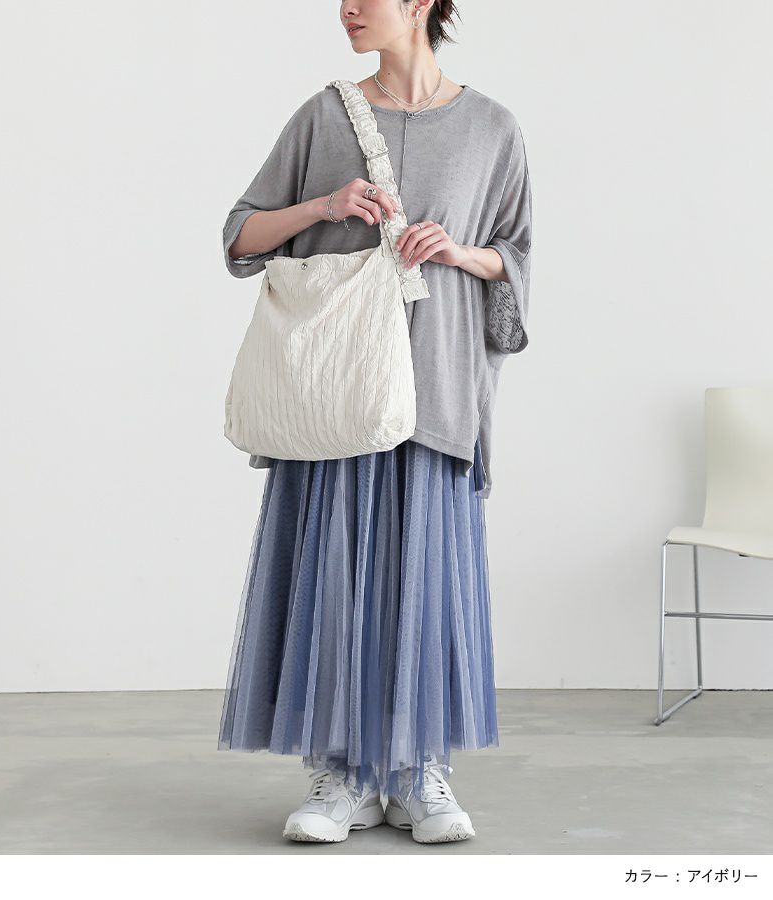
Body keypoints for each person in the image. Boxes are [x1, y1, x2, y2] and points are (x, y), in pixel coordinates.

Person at [217, 0, 532, 845]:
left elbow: (517, 255)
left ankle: (420, 773)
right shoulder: (325, 116)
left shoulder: (493, 129)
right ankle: (343, 777)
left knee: (425, 584)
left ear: (421, 3)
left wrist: (458, 251)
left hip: (437, 387)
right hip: (340, 391)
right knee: (335, 580)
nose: (348, 8)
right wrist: (323, 205)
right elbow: (241, 235)